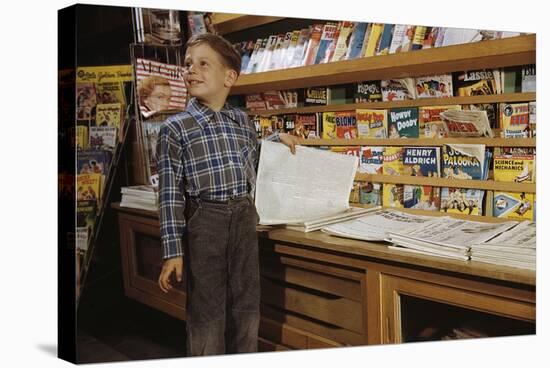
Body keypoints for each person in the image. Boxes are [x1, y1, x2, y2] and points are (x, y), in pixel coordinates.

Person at [156, 33, 299, 357]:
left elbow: (251, 157)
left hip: (244, 217)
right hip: (206, 220)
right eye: (188, 64)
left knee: (246, 303)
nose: (191, 70)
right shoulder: (175, 129)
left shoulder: (241, 121)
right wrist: (172, 251)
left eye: (203, 64)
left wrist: (277, 139)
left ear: (229, 77)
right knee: (207, 310)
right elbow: (168, 196)